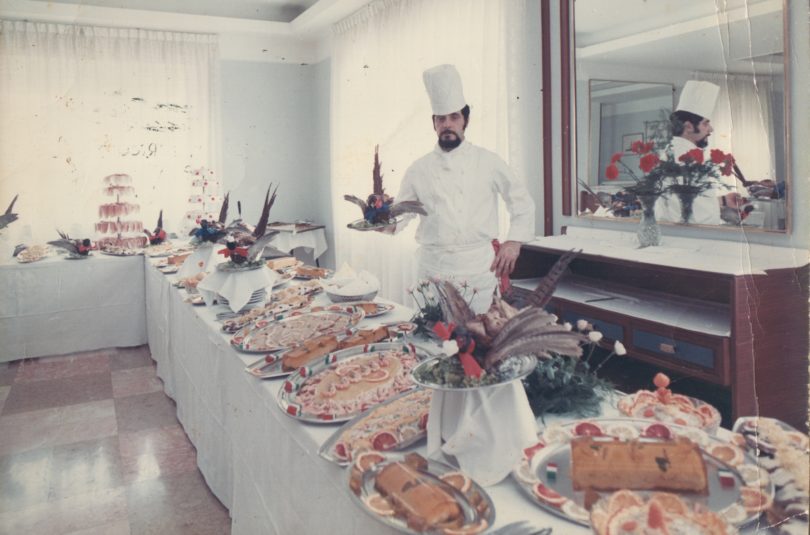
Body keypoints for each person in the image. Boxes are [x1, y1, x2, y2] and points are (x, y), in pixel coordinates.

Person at [389, 64, 535, 313]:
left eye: (454, 117)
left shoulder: (488, 161)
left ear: (465, 120)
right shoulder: (418, 169)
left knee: (479, 338)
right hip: (432, 268)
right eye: (441, 119)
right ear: (434, 123)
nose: (447, 124)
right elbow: (402, 214)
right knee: (435, 336)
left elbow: (521, 202)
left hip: (477, 267)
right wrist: (383, 221)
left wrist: (513, 242)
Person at [655, 80, 729, 225]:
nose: (711, 129)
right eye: (705, 123)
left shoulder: (670, 151)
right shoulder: (685, 157)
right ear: (688, 126)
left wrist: (724, 200)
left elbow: (690, 200)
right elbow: (693, 212)